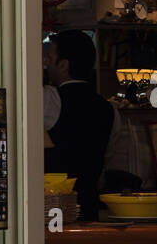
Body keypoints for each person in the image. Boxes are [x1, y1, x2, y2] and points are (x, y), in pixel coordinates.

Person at [43, 29, 115, 221]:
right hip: (90, 209)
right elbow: (107, 159)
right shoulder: (110, 109)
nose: (46, 64)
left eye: (49, 59)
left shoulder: (50, 99)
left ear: (64, 65)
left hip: (53, 210)